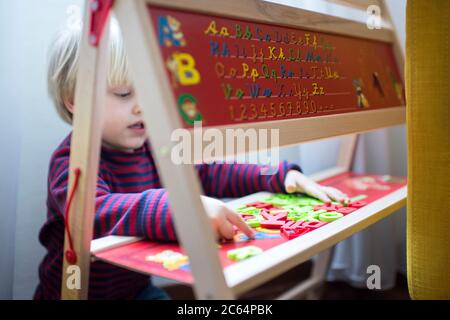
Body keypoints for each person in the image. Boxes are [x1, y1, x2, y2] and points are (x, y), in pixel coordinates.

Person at [34, 19, 348, 300]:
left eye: (149, 91)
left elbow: (209, 173)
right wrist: (183, 207)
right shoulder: (71, 159)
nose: (142, 106)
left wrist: (279, 176)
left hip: (136, 290)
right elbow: (96, 214)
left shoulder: (155, 147)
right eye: (124, 94)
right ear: (76, 100)